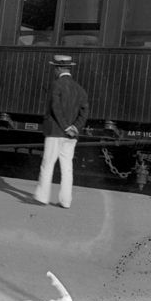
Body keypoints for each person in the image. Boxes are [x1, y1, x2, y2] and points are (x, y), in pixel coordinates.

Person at [33, 55, 89, 208]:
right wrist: (74, 128)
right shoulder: (80, 88)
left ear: (58, 69)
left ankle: (42, 197)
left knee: (48, 164)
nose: (54, 72)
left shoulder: (56, 85)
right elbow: (84, 112)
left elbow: (55, 108)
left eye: (54, 69)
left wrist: (65, 127)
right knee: (67, 168)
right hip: (71, 135)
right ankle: (65, 201)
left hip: (55, 132)